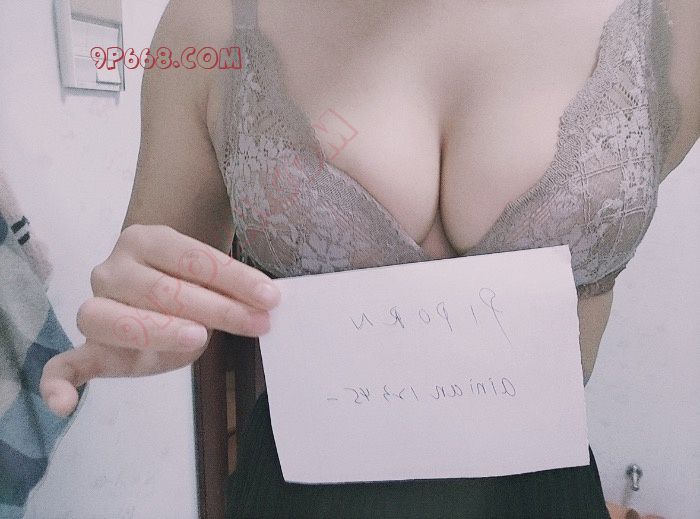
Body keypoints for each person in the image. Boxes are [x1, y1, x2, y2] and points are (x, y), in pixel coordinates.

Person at [40, 0, 699, 517]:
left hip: (541, 499)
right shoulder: (209, 22)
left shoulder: (676, 21)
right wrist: (138, 318)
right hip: (298, 497)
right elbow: (158, 274)